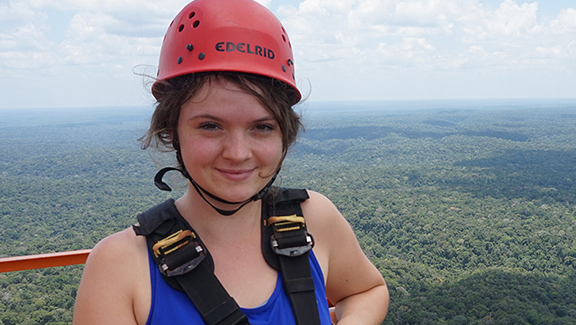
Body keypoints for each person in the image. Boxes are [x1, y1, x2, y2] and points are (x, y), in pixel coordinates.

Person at [72, 0, 389, 324]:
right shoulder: (119, 268)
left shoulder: (314, 220)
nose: (238, 153)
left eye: (262, 127)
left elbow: (366, 291)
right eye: (210, 126)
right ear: (173, 129)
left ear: (284, 135)